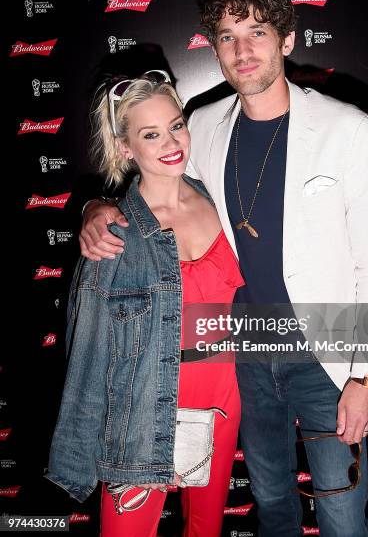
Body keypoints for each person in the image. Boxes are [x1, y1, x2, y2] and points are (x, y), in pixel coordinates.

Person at [79, 0, 368, 537]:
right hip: (245, 355)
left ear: (288, 38)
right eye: (228, 36)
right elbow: (159, 193)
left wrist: (367, 377)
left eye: (256, 31)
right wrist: (96, 209)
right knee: (272, 501)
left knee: (341, 510)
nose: (242, 50)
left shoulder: (347, 129)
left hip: (326, 356)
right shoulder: (201, 126)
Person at [44, 71, 244, 537]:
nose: (170, 142)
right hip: (140, 412)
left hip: (222, 402)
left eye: (176, 125)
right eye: (150, 134)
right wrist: (80, 452)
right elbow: (88, 353)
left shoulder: (220, 201)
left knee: (205, 530)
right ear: (125, 147)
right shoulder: (114, 235)